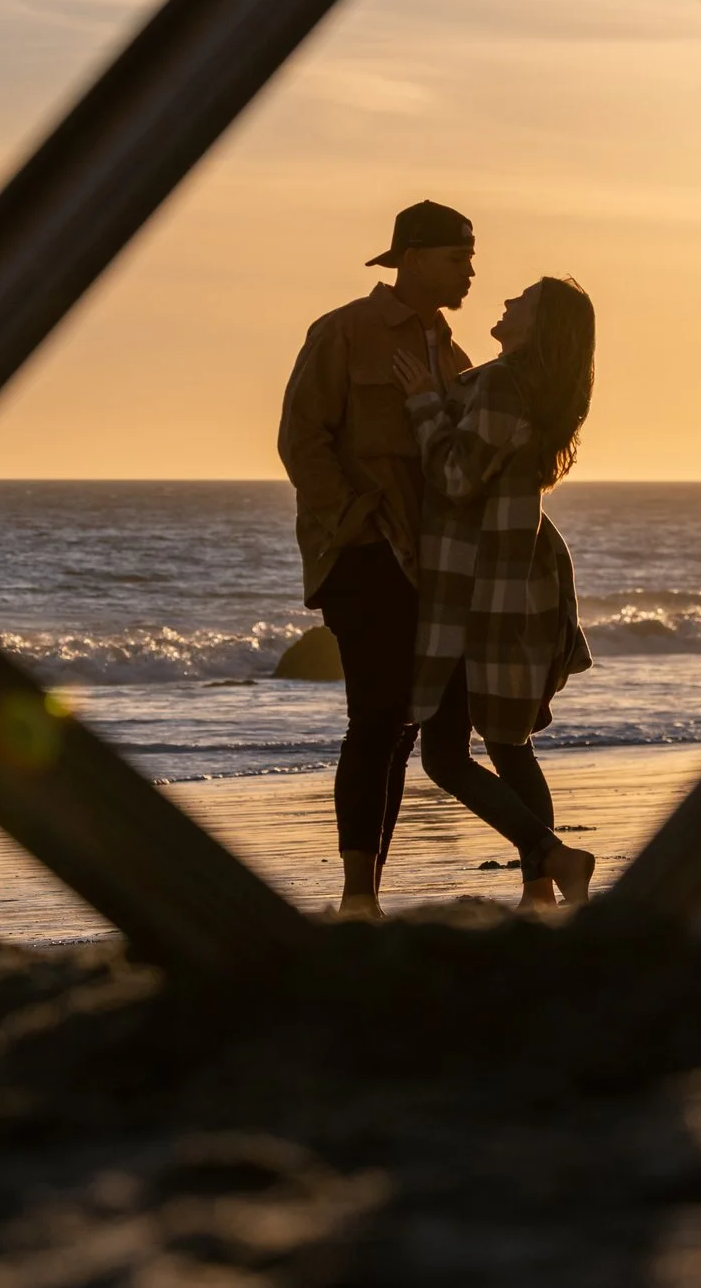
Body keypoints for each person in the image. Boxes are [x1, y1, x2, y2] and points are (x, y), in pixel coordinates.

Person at [276, 201, 477, 917]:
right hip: (362, 554)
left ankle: (370, 889)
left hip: (433, 565)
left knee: (405, 724)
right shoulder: (343, 332)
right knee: (375, 716)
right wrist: (354, 521)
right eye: (458, 258)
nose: (471, 272)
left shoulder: (453, 356)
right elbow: (302, 440)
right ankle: (357, 891)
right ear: (413, 257)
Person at [390, 276, 598, 908]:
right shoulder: (516, 383)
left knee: (444, 758)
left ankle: (557, 856)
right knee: (509, 744)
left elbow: (455, 476)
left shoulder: (505, 384)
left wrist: (425, 402)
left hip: (475, 591)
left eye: (524, 300)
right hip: (509, 586)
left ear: (541, 325)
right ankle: (541, 891)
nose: (508, 301)